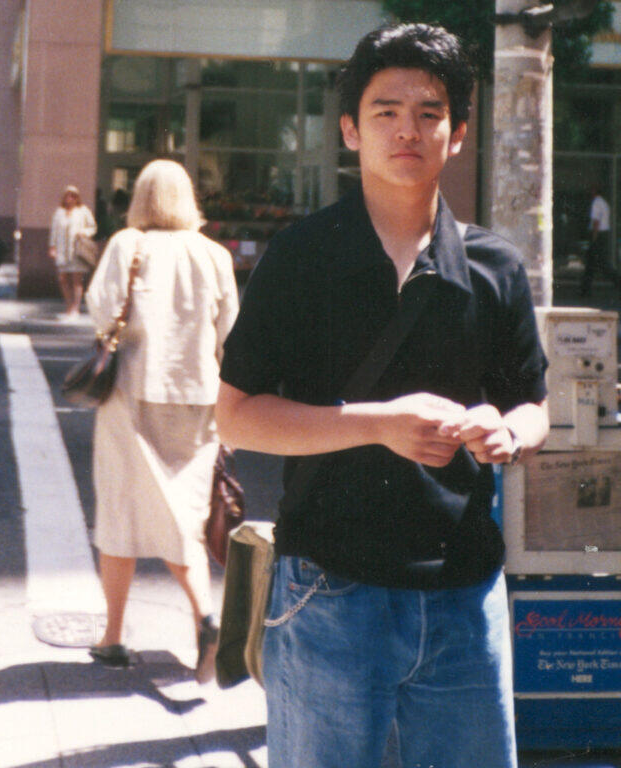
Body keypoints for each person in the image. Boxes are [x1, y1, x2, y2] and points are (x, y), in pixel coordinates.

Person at [215, 24, 550, 768]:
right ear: (349, 129)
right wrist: (380, 425)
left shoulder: (494, 266)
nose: (408, 129)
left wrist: (509, 431)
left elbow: (533, 403)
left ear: (458, 134)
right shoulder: (303, 257)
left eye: (430, 113)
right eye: (385, 111)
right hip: (329, 593)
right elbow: (235, 415)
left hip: (463, 597)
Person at [85, 159, 239, 681]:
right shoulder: (214, 254)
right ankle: (199, 619)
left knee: (121, 513)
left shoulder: (127, 245)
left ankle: (123, 633)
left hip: (132, 393)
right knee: (184, 515)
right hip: (199, 398)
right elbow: (230, 333)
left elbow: (103, 312)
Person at [48, 185, 97, 320]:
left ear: (77, 198)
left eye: (73, 196)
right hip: (62, 251)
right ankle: (68, 306)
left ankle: (76, 308)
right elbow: (54, 231)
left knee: (76, 280)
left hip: (76, 250)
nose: (70, 198)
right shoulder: (59, 212)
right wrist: (52, 246)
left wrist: (84, 232)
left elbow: (92, 227)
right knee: (63, 279)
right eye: (68, 195)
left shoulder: (82, 211)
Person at [580, 187, 619, 297]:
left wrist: (593, 238)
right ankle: (585, 289)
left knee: (595, 264)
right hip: (604, 234)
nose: (589, 193)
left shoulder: (596, 203)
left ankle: (585, 290)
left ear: (595, 192)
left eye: (591, 191)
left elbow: (596, 222)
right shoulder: (604, 203)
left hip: (598, 235)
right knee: (596, 264)